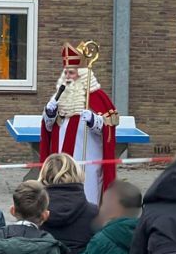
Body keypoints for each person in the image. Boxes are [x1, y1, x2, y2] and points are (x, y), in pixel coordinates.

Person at [40, 42, 119, 205]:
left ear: (82, 73)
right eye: (66, 72)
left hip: (87, 159)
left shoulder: (97, 97)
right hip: (61, 158)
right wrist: (49, 114)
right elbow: (48, 128)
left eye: (72, 72)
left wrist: (94, 120)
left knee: (87, 195)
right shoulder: (59, 96)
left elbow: (108, 130)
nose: (68, 76)